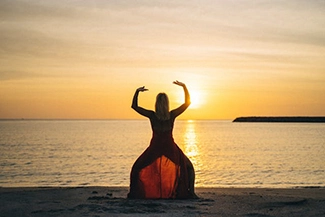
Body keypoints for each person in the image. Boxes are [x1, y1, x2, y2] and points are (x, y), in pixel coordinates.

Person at [128, 80, 198, 199]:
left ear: (156, 104)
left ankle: (135, 193)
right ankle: (191, 192)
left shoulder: (152, 115)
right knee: (189, 168)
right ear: (167, 103)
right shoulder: (171, 115)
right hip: (168, 148)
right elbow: (187, 103)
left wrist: (137, 92)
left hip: (156, 148)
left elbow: (134, 106)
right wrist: (184, 87)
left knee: (137, 168)